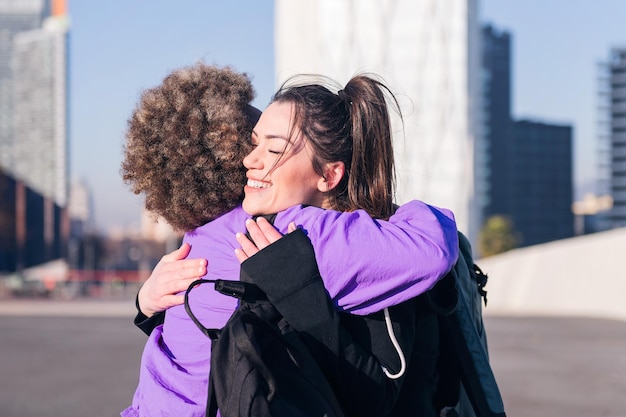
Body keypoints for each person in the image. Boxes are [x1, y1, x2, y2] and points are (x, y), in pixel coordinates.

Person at [121, 67, 458, 417]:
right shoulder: (297, 231)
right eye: (252, 143)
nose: (249, 159)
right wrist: (395, 213)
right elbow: (434, 248)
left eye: (273, 148)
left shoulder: (200, 234)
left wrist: (146, 306)